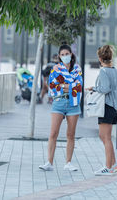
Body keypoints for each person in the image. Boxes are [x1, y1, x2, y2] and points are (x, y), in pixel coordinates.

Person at [39, 44, 83, 172]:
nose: (65, 57)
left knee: (70, 134)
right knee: (53, 133)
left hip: (73, 104)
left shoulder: (77, 69)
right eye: (62, 55)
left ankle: (68, 162)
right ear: (59, 56)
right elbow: (52, 86)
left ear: (71, 54)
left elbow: (78, 85)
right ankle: (49, 162)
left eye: (67, 54)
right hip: (58, 103)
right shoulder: (56, 69)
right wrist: (69, 86)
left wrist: (65, 86)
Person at [86, 45, 117, 175]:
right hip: (115, 107)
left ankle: (108, 167)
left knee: (105, 137)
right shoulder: (116, 71)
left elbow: (105, 88)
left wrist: (94, 88)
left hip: (106, 107)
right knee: (105, 136)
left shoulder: (103, 71)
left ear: (100, 58)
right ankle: (114, 164)